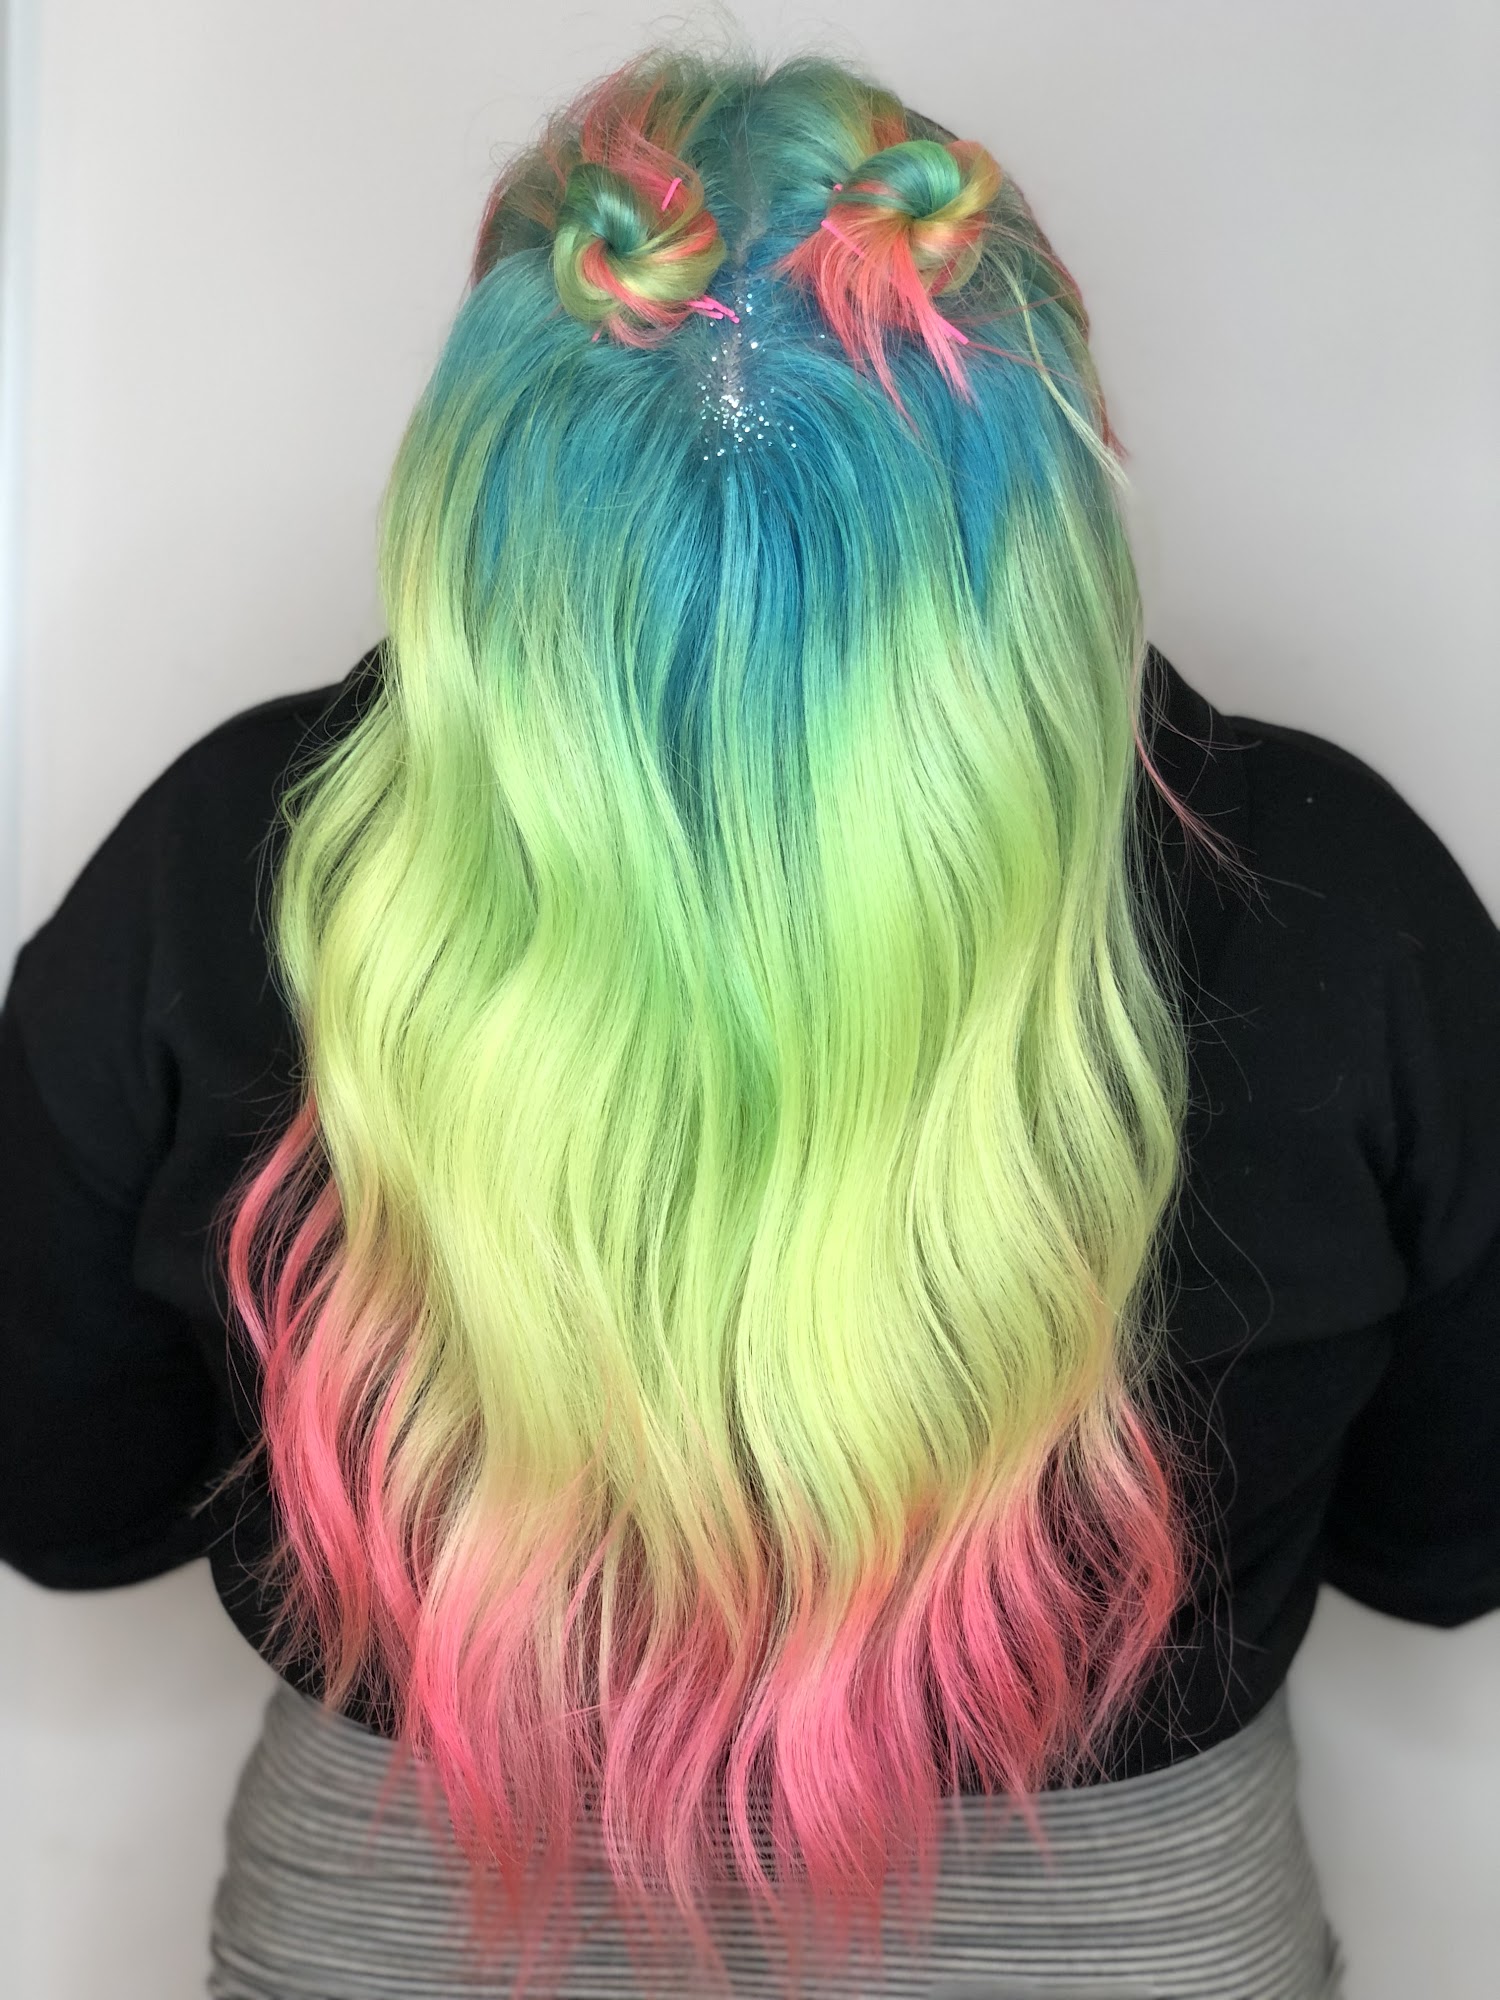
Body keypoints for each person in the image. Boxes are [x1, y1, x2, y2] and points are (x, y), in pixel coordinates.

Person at [2, 40, 1497, 2000]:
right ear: (1057, 469)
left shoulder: (221, 871)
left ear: (480, 481)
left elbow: (70, 1505)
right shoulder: (1347, 906)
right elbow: (1446, 1544)